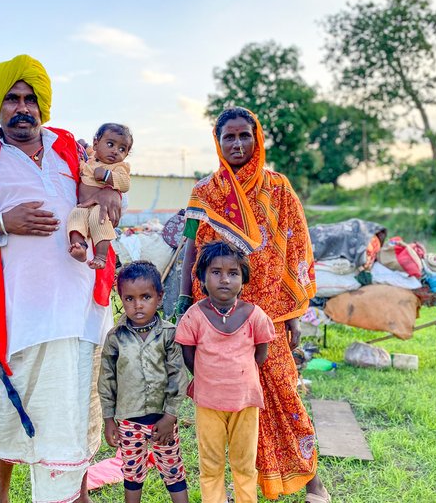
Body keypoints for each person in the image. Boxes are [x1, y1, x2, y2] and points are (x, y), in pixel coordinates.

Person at [0, 54, 121, 503]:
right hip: (22, 316)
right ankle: (0, 498)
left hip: (82, 309)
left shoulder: (70, 148)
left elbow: (106, 188)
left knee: (77, 414)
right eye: (12, 100)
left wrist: (106, 189)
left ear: (42, 106)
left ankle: (75, 496)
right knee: (13, 413)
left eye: (30, 100)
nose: (23, 109)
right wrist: (3, 222)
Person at [174, 107, 330, 503]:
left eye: (245, 135)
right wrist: (182, 300)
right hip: (213, 317)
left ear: (257, 139)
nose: (238, 144)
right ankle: (227, 490)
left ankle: (312, 482)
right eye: (230, 137)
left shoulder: (278, 187)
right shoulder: (204, 191)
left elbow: (295, 246)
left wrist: (293, 314)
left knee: (283, 393)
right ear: (218, 141)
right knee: (220, 405)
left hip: (268, 316)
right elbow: (191, 245)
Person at [175, 240, 275, 503]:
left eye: (233, 273)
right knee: (210, 465)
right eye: (216, 272)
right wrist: (209, 377)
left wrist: (237, 376)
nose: (224, 279)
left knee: (244, 464)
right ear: (202, 277)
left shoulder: (256, 316)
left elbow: (260, 354)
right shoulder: (194, 316)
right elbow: (189, 356)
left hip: (245, 402)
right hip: (208, 403)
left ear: (243, 279)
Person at [98, 261, 189, 503]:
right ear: (121, 298)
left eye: (145, 296)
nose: (138, 304)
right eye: (129, 298)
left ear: (159, 297)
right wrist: (109, 420)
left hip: (163, 421)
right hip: (128, 421)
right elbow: (106, 380)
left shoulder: (169, 334)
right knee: (132, 472)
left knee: (172, 469)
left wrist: (170, 416)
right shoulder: (116, 338)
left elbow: (178, 376)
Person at [68, 122, 132, 269]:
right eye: (110, 144)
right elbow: (89, 149)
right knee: (75, 216)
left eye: (122, 149)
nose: (116, 151)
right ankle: (80, 247)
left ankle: (101, 256)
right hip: (83, 206)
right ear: (96, 144)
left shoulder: (118, 167)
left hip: (100, 207)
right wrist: (83, 144)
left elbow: (125, 184)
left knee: (100, 220)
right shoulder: (92, 158)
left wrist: (107, 175)